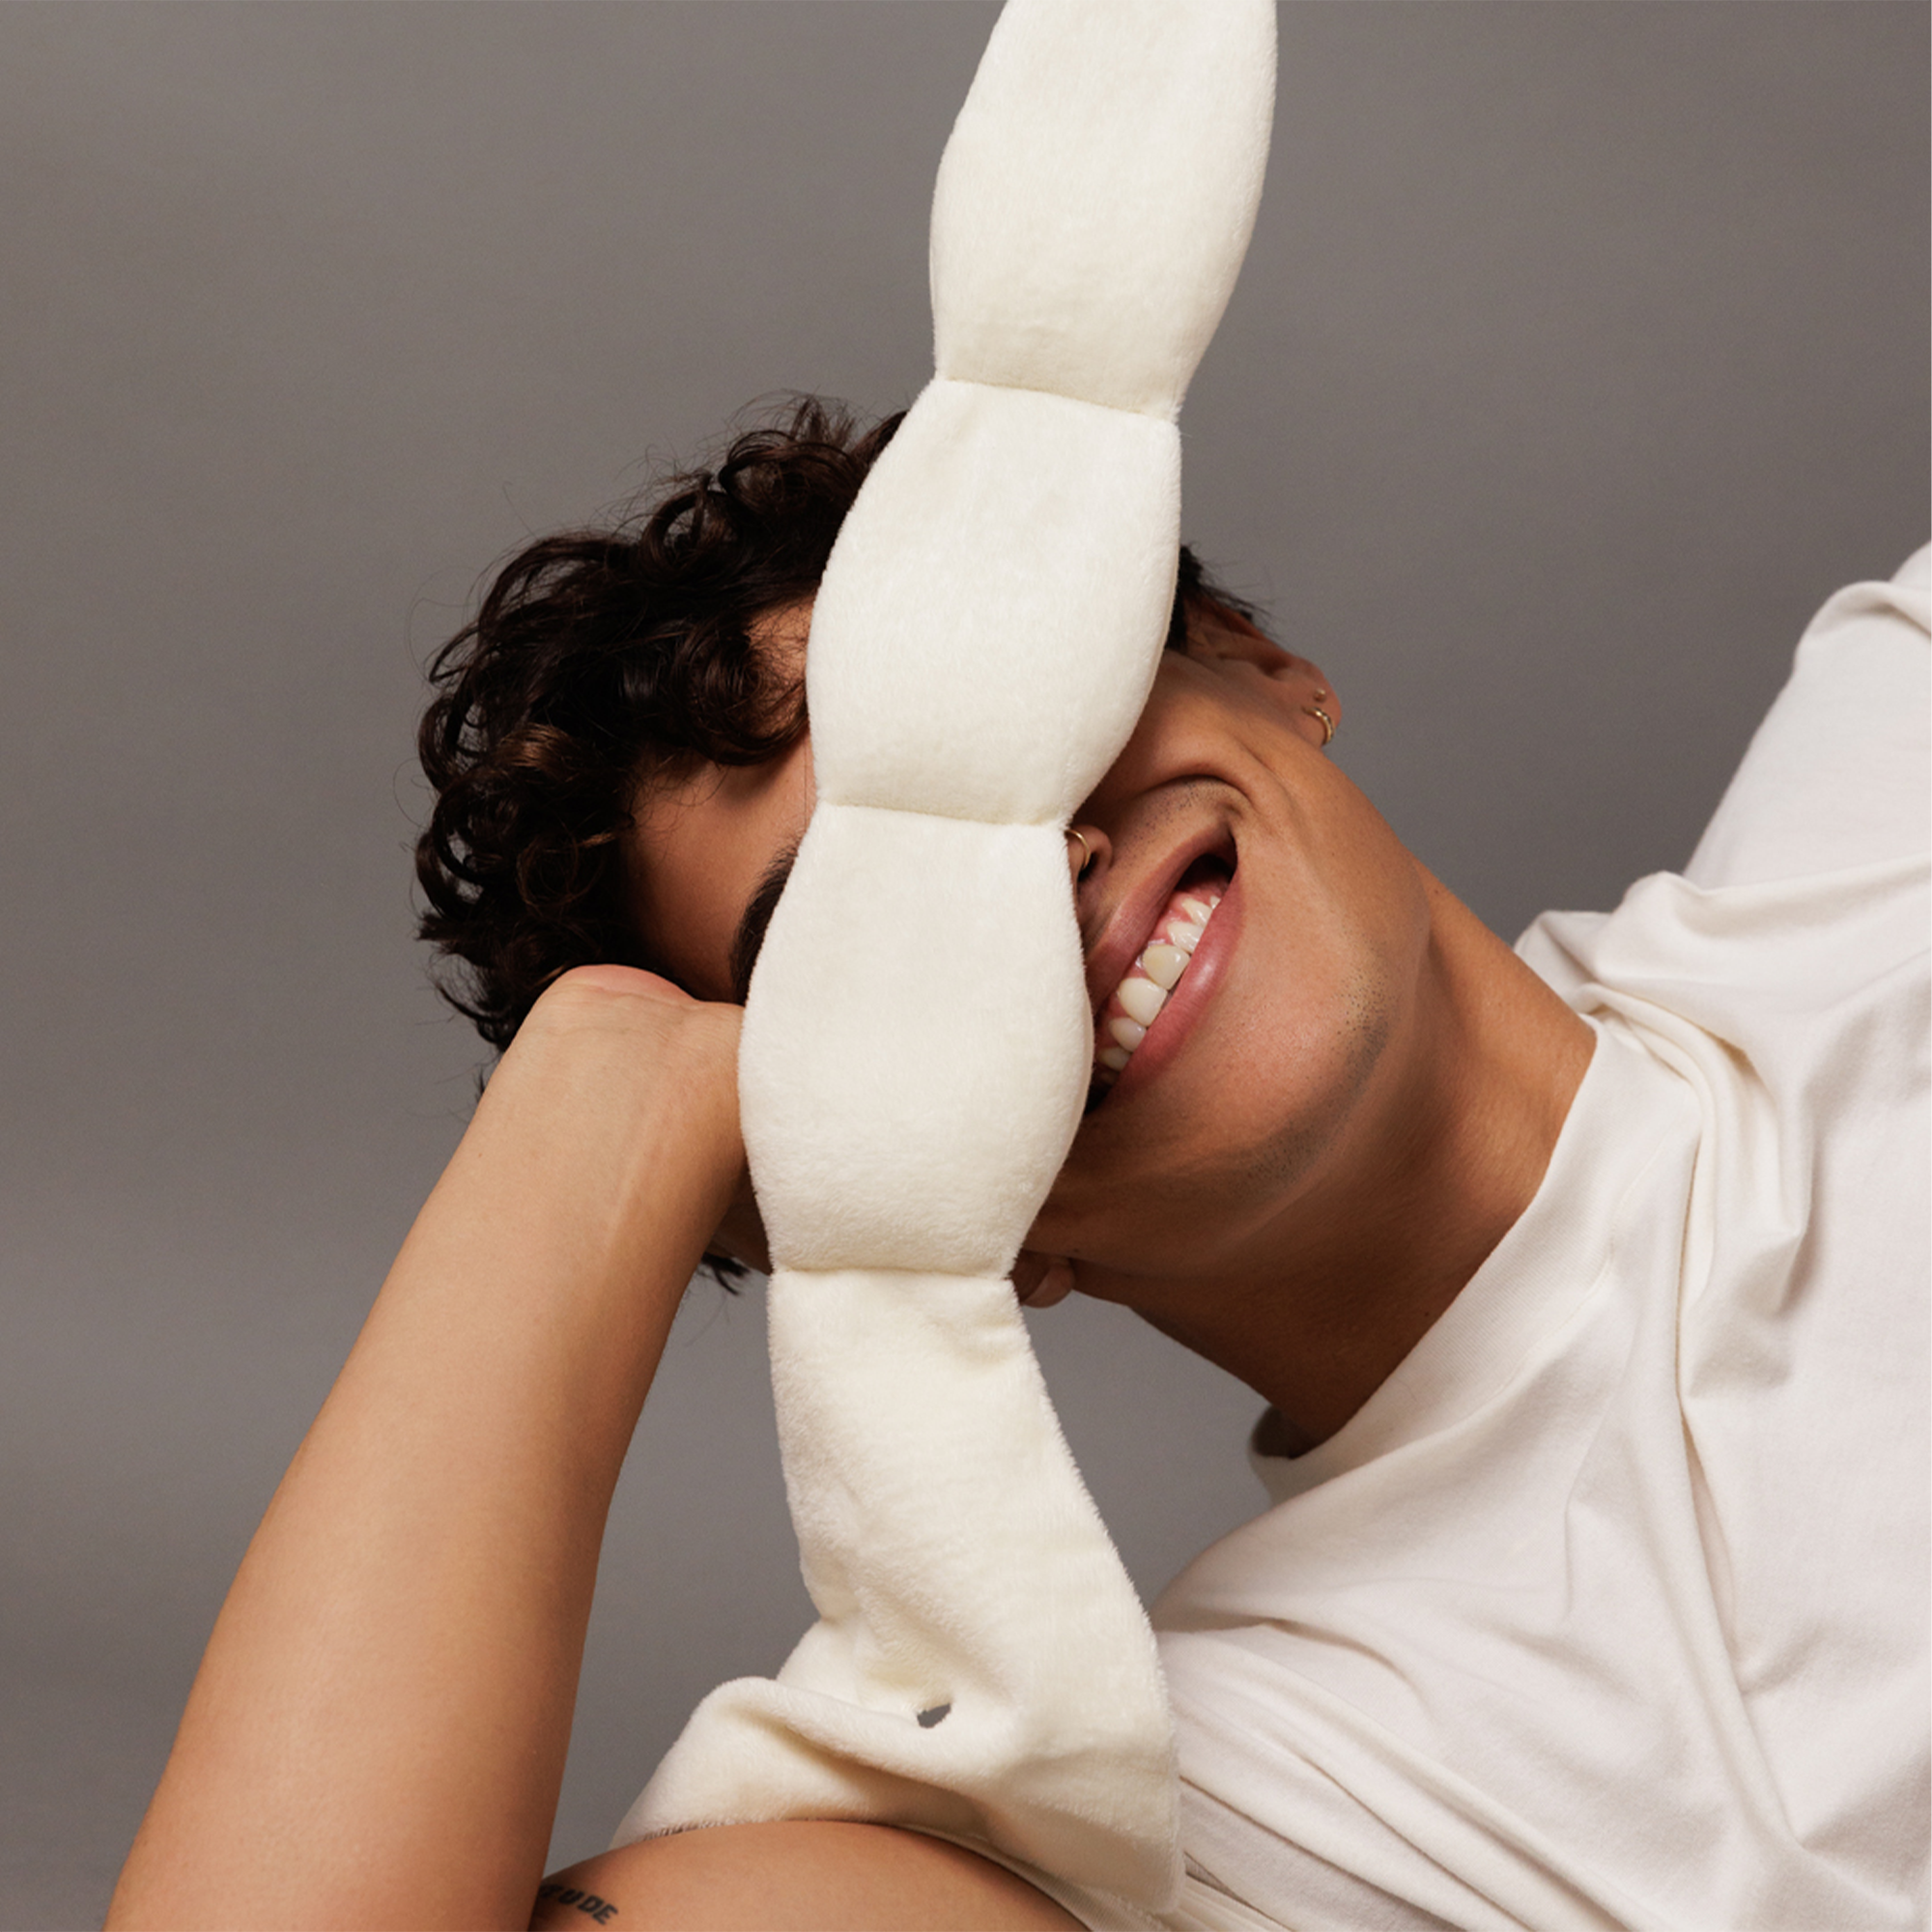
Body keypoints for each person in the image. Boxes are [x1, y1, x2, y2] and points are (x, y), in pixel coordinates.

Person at [104, 397, 1932, 1932]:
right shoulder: (1235, 1823)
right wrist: (604, 1095)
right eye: (858, 926)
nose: (1033, 865)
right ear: (925, 1200)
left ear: (1261, 670)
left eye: (997, 702)